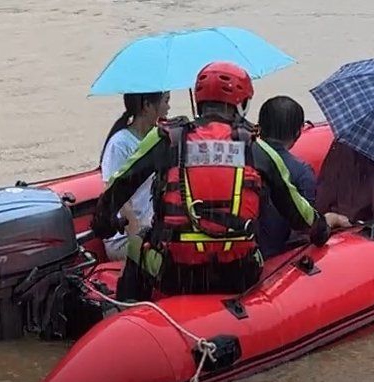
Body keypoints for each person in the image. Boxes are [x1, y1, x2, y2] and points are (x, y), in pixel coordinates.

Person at [92, 62, 330, 301]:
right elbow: (300, 215)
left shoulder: (167, 138)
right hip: (239, 274)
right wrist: (322, 231)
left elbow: (118, 186)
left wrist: (103, 223)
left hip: (177, 275)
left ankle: (132, 313)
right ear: (242, 104)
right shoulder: (257, 148)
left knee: (136, 245)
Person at [98, 91, 171, 263]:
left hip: (154, 229)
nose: (169, 107)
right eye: (166, 101)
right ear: (147, 106)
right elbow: (117, 195)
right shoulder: (120, 144)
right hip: (124, 238)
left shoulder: (159, 137)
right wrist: (137, 240)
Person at [253, 96, 318, 258]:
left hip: (244, 253)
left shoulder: (242, 159)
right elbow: (307, 227)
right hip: (274, 259)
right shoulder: (302, 172)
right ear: (298, 131)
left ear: (260, 127)